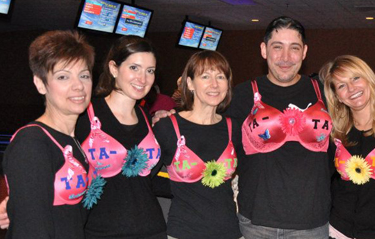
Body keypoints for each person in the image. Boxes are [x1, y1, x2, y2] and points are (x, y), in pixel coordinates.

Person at [226, 16, 332, 238]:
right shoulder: (242, 94)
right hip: (257, 222)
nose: (285, 57)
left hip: (311, 224)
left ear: (304, 52)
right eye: (277, 47)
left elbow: (358, 126)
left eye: (294, 48)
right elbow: (211, 131)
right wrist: (170, 116)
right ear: (264, 50)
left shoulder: (325, 92)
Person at [2, 30, 94, 238]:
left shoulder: (72, 139)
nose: (78, 86)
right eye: (63, 77)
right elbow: (32, 229)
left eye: (84, 75)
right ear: (40, 84)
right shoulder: (32, 143)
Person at [76, 35, 166, 238]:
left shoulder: (146, 117)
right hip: (101, 231)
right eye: (134, 68)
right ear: (114, 68)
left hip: (153, 229)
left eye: (149, 71)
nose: (142, 79)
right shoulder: (85, 115)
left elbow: (145, 181)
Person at [153, 50, 242, 239]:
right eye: (205, 76)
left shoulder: (233, 127)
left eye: (220, 76)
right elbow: (144, 180)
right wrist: (182, 186)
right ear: (190, 83)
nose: (214, 84)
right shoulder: (168, 127)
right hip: (184, 232)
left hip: (229, 231)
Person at [320, 55, 375, 238]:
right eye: (341, 86)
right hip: (338, 230)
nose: (351, 89)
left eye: (355, 78)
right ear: (337, 97)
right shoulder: (335, 134)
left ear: (369, 79)